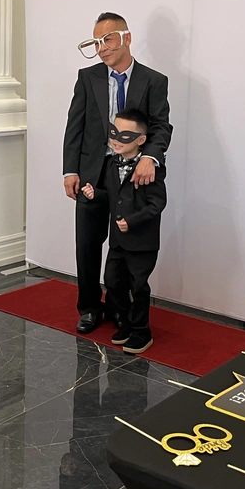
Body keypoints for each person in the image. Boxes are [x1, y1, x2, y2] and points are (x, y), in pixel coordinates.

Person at [63, 12, 172, 335]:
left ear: (127, 38)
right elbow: (75, 127)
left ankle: (120, 309)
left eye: (107, 39)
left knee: (124, 250)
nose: (101, 48)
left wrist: (149, 157)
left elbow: (161, 126)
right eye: (95, 43)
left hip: (134, 180)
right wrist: (70, 170)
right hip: (93, 175)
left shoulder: (154, 81)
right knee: (87, 244)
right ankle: (89, 308)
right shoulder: (88, 77)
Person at [81, 109, 166, 353]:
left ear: (141, 140)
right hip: (117, 240)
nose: (117, 139)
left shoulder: (150, 169)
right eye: (114, 132)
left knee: (138, 286)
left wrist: (133, 220)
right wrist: (95, 195)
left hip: (142, 242)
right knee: (112, 281)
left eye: (126, 136)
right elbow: (113, 198)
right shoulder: (110, 164)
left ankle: (142, 331)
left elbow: (157, 204)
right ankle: (126, 322)